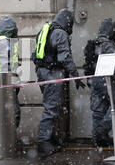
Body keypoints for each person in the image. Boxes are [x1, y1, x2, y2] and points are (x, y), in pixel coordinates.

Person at [32, 9, 86, 156]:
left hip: (43, 73)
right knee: (51, 108)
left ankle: (50, 138)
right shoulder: (60, 33)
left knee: (52, 106)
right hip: (53, 74)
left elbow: (34, 55)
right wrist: (76, 76)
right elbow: (65, 58)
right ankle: (44, 141)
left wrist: (41, 70)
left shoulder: (44, 30)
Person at [88, 18, 115, 147]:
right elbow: (114, 67)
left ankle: (98, 140)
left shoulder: (92, 44)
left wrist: (90, 81)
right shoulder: (108, 45)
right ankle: (101, 132)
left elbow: (87, 65)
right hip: (107, 79)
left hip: (94, 80)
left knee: (99, 110)